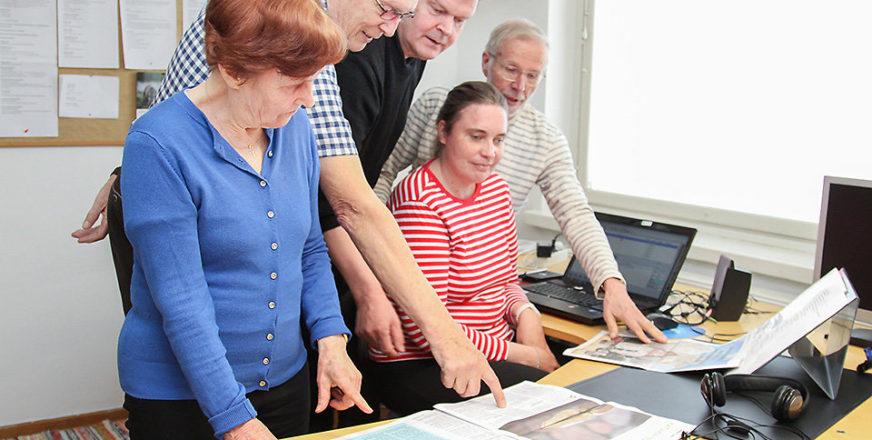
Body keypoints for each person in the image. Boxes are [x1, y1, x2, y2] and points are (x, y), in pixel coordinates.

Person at [73, 0, 506, 409]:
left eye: (404, 13)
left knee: (269, 354)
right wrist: (445, 336)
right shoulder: (291, 32)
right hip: (183, 199)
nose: (392, 26)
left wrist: (333, 334)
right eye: (386, 9)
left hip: (218, 197)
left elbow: (312, 236)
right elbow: (352, 204)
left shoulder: (304, 102)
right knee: (193, 354)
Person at [118, 1, 369, 439]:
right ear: (235, 72)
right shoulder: (158, 143)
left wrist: (331, 339)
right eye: (296, 82)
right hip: (181, 396)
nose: (309, 98)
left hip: (286, 381)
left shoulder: (295, 129)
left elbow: (308, 246)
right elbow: (181, 300)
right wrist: (233, 416)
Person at [374, 19, 668, 343]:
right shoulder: (438, 108)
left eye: (533, 76)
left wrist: (611, 283)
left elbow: (575, 213)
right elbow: (381, 172)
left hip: (487, 296)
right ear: (487, 62)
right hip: (425, 280)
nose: (520, 86)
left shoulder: (546, 141)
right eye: (511, 70)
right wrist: (372, 258)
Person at [317, 0, 477, 428]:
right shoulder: (359, 54)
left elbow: (368, 179)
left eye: (460, 21)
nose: (446, 29)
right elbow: (332, 200)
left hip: (339, 237)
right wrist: (370, 291)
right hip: (316, 237)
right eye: (438, 11)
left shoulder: (411, 58)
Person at [372, 81, 560, 416]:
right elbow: (424, 326)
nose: (490, 152)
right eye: (476, 137)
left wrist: (527, 315)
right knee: (547, 405)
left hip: (494, 346)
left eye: (498, 140)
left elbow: (507, 281)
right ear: (443, 132)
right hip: (428, 358)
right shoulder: (420, 200)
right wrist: (526, 355)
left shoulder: (497, 191)